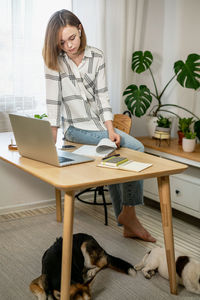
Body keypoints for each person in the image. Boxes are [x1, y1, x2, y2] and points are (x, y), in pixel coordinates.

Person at [43, 9, 156, 243]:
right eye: (62, 42)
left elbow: (103, 97)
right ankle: (129, 215)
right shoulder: (55, 61)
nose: (68, 46)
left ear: (80, 29)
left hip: (99, 127)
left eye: (72, 38)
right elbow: (53, 102)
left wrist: (111, 130)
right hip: (76, 130)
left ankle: (125, 218)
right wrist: (51, 141)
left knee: (121, 149)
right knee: (135, 148)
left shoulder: (97, 56)